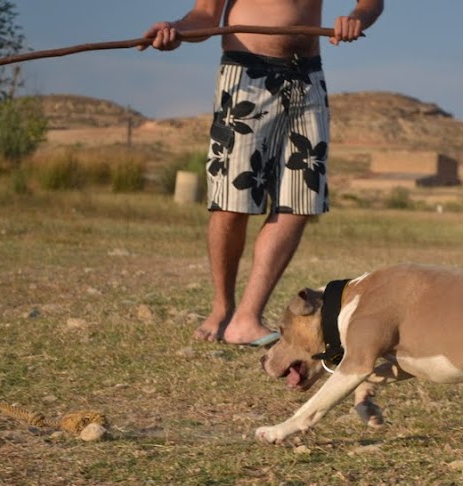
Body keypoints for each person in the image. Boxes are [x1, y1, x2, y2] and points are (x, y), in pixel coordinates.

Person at [141, 1, 383, 345]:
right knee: (232, 201)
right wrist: (175, 31)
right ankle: (222, 309)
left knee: (302, 198)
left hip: (307, 75)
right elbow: (206, 15)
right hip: (246, 75)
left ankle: (247, 318)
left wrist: (357, 19)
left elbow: (371, 1)